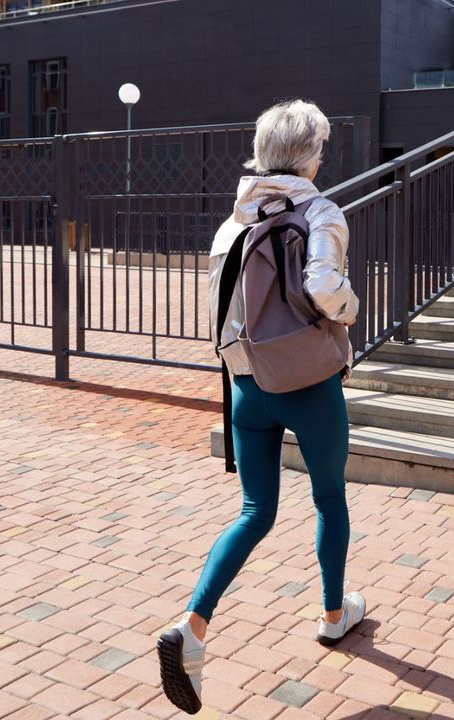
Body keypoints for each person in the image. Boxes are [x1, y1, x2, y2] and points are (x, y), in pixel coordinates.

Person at [157, 100, 366, 716]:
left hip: (249, 387)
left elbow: (226, 312)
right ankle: (334, 615)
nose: (323, 157)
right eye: (320, 147)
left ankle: (192, 628)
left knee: (255, 511)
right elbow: (325, 288)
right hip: (309, 382)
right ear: (307, 156)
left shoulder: (233, 223)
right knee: (329, 497)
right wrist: (352, 312)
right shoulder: (320, 210)